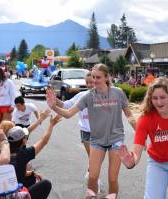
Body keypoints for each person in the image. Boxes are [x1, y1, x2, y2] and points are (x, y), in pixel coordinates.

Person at [46, 63, 137, 197]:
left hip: (116, 139)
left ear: (107, 77)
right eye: (93, 77)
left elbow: (129, 114)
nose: (94, 80)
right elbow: (69, 113)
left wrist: (139, 133)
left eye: (98, 77)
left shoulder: (118, 93)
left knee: (112, 178)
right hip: (97, 140)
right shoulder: (88, 96)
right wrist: (54, 107)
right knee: (93, 177)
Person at [7, 115, 60, 199]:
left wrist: (31, 173)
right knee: (46, 184)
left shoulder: (3, 152)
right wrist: (51, 124)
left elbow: (19, 172)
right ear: (24, 141)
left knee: (32, 177)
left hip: (5, 191)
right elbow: (44, 141)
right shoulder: (23, 154)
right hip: (15, 195)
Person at [54, 72, 94, 179]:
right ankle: (93, 178)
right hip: (86, 130)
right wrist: (54, 99)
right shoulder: (82, 95)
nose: (89, 84)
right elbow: (65, 105)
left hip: (100, 131)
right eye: (87, 82)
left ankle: (92, 176)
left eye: (92, 81)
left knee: (95, 157)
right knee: (92, 156)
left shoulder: (105, 96)